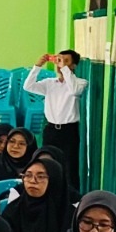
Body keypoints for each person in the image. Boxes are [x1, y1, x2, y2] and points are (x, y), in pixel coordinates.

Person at [25, 50, 87, 184]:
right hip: (51, 129)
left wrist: (64, 68)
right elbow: (28, 86)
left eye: (66, 61)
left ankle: (72, 198)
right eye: (59, 60)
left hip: (69, 131)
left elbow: (74, 91)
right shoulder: (49, 83)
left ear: (74, 66)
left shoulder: (80, 83)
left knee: (70, 166)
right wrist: (37, 66)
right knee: (47, 163)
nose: (60, 64)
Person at [2, 156, 71, 232]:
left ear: (55, 180)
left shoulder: (71, 216)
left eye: (41, 176)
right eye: (28, 175)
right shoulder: (12, 211)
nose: (32, 181)